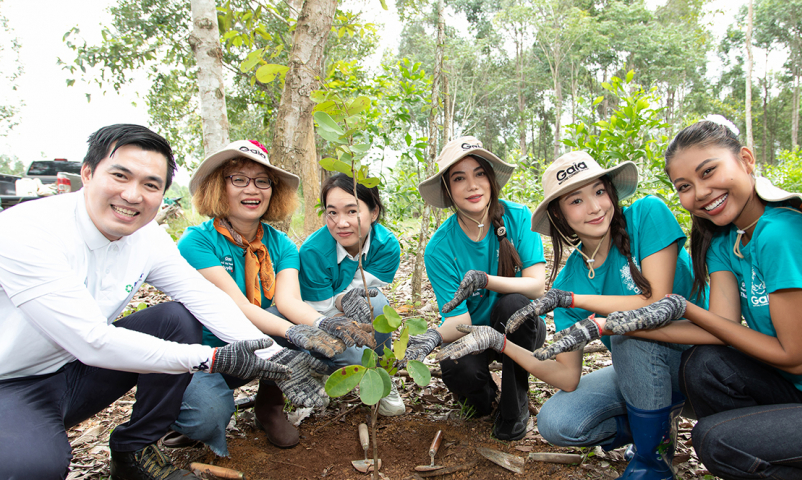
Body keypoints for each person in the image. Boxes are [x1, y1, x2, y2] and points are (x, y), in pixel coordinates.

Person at [0, 125, 302, 480]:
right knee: (31, 472)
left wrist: (274, 356)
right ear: (88, 173)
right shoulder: (27, 230)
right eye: (120, 176)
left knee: (177, 318)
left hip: (72, 370)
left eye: (150, 184)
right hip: (12, 381)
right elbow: (92, 341)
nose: (132, 195)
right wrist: (208, 359)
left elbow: (200, 296)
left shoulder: (147, 237)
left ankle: (134, 450)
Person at [603, 118, 802, 480]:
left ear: (746, 160)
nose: (701, 193)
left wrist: (683, 307)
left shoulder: (781, 234)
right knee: (704, 365)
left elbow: (795, 358)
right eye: (685, 187)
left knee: (715, 440)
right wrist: (628, 327)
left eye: (708, 171)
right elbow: (721, 329)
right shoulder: (726, 242)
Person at [437, 150, 702, 480]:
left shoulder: (646, 215)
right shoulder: (571, 277)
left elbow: (656, 305)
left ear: (611, 191)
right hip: (645, 372)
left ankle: (652, 464)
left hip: (701, 363)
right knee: (558, 422)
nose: (594, 207)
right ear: (559, 214)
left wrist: (575, 303)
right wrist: (500, 343)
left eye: (599, 192)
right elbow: (567, 378)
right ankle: (654, 429)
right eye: (576, 200)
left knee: (626, 330)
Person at [170, 141, 375, 455]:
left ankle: (269, 406)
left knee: (308, 331)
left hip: (259, 347)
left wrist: (325, 325)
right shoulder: (196, 242)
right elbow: (236, 307)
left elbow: (288, 303)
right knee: (206, 418)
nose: (252, 190)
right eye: (239, 179)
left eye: (261, 181)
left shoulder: (281, 246)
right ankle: (182, 412)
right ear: (218, 186)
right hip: (208, 356)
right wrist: (293, 332)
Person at [404, 136, 546, 441]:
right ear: (447, 189)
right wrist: (432, 337)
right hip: (473, 335)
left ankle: (515, 404)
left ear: (491, 180)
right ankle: (487, 394)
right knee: (459, 372)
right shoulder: (440, 248)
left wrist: (485, 280)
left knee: (513, 304)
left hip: (520, 326)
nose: (472, 185)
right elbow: (460, 321)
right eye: (459, 178)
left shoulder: (519, 217)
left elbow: (536, 287)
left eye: (480, 173)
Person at [298, 173, 405, 416]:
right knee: (357, 358)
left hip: (356, 310)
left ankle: (383, 377)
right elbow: (320, 308)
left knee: (376, 301)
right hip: (321, 318)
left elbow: (366, 292)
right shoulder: (313, 252)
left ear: (374, 212)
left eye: (352, 211)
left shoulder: (386, 245)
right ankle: (320, 369)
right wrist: (343, 300)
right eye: (332, 212)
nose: (341, 223)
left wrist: (348, 299)